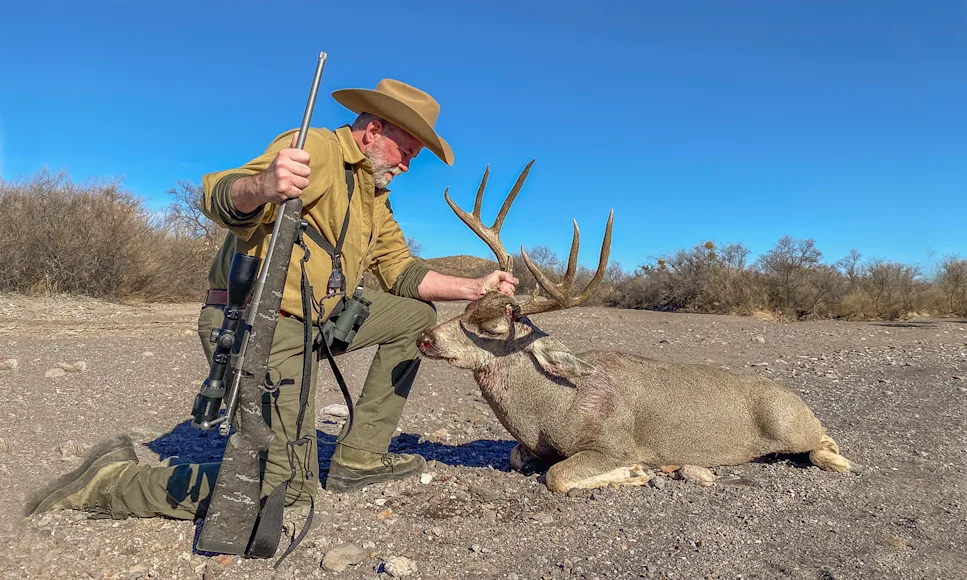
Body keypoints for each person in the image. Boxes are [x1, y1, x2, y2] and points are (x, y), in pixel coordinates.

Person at [25, 79, 519, 521]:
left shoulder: (373, 195)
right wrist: (263, 186)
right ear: (372, 131)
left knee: (415, 316)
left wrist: (477, 287)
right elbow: (220, 194)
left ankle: (360, 458)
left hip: (318, 323)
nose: (409, 165)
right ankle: (112, 483)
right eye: (406, 149)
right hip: (259, 323)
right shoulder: (318, 151)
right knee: (283, 492)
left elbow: (402, 272)